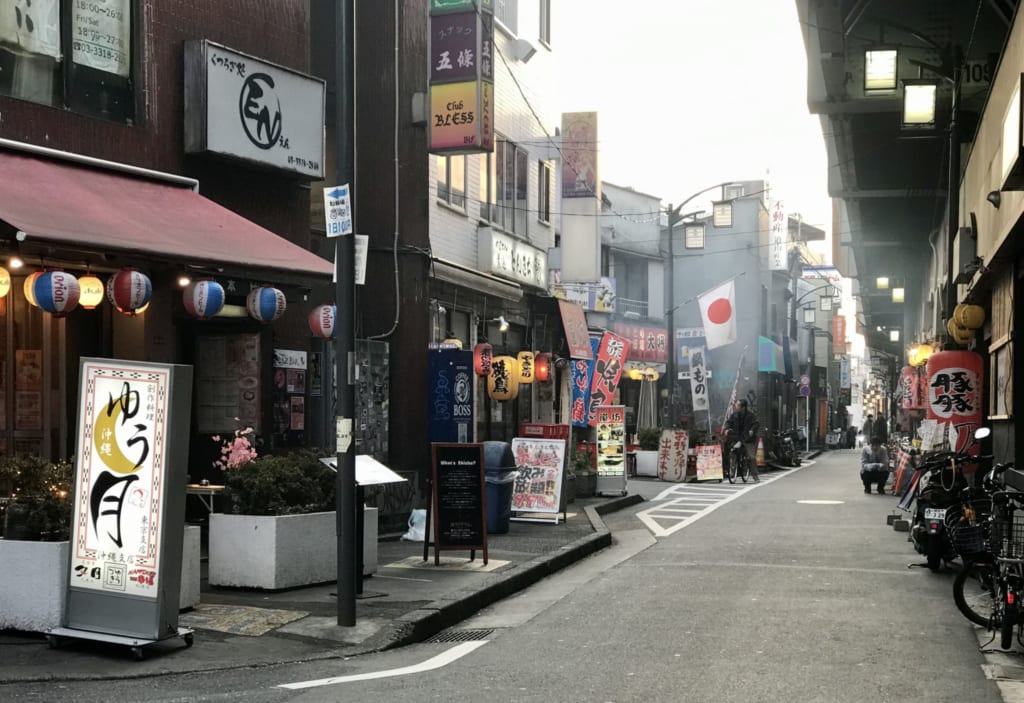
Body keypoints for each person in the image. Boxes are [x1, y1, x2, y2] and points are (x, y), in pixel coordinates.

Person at [725, 398, 760, 482]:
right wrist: (727, 429)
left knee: (751, 457)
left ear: (743, 407)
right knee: (730, 451)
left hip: (748, 439)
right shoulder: (734, 415)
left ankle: (755, 476)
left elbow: (756, 423)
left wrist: (752, 430)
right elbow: (728, 423)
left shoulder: (751, 415)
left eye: (737, 405)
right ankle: (731, 471)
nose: (735, 406)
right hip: (737, 438)